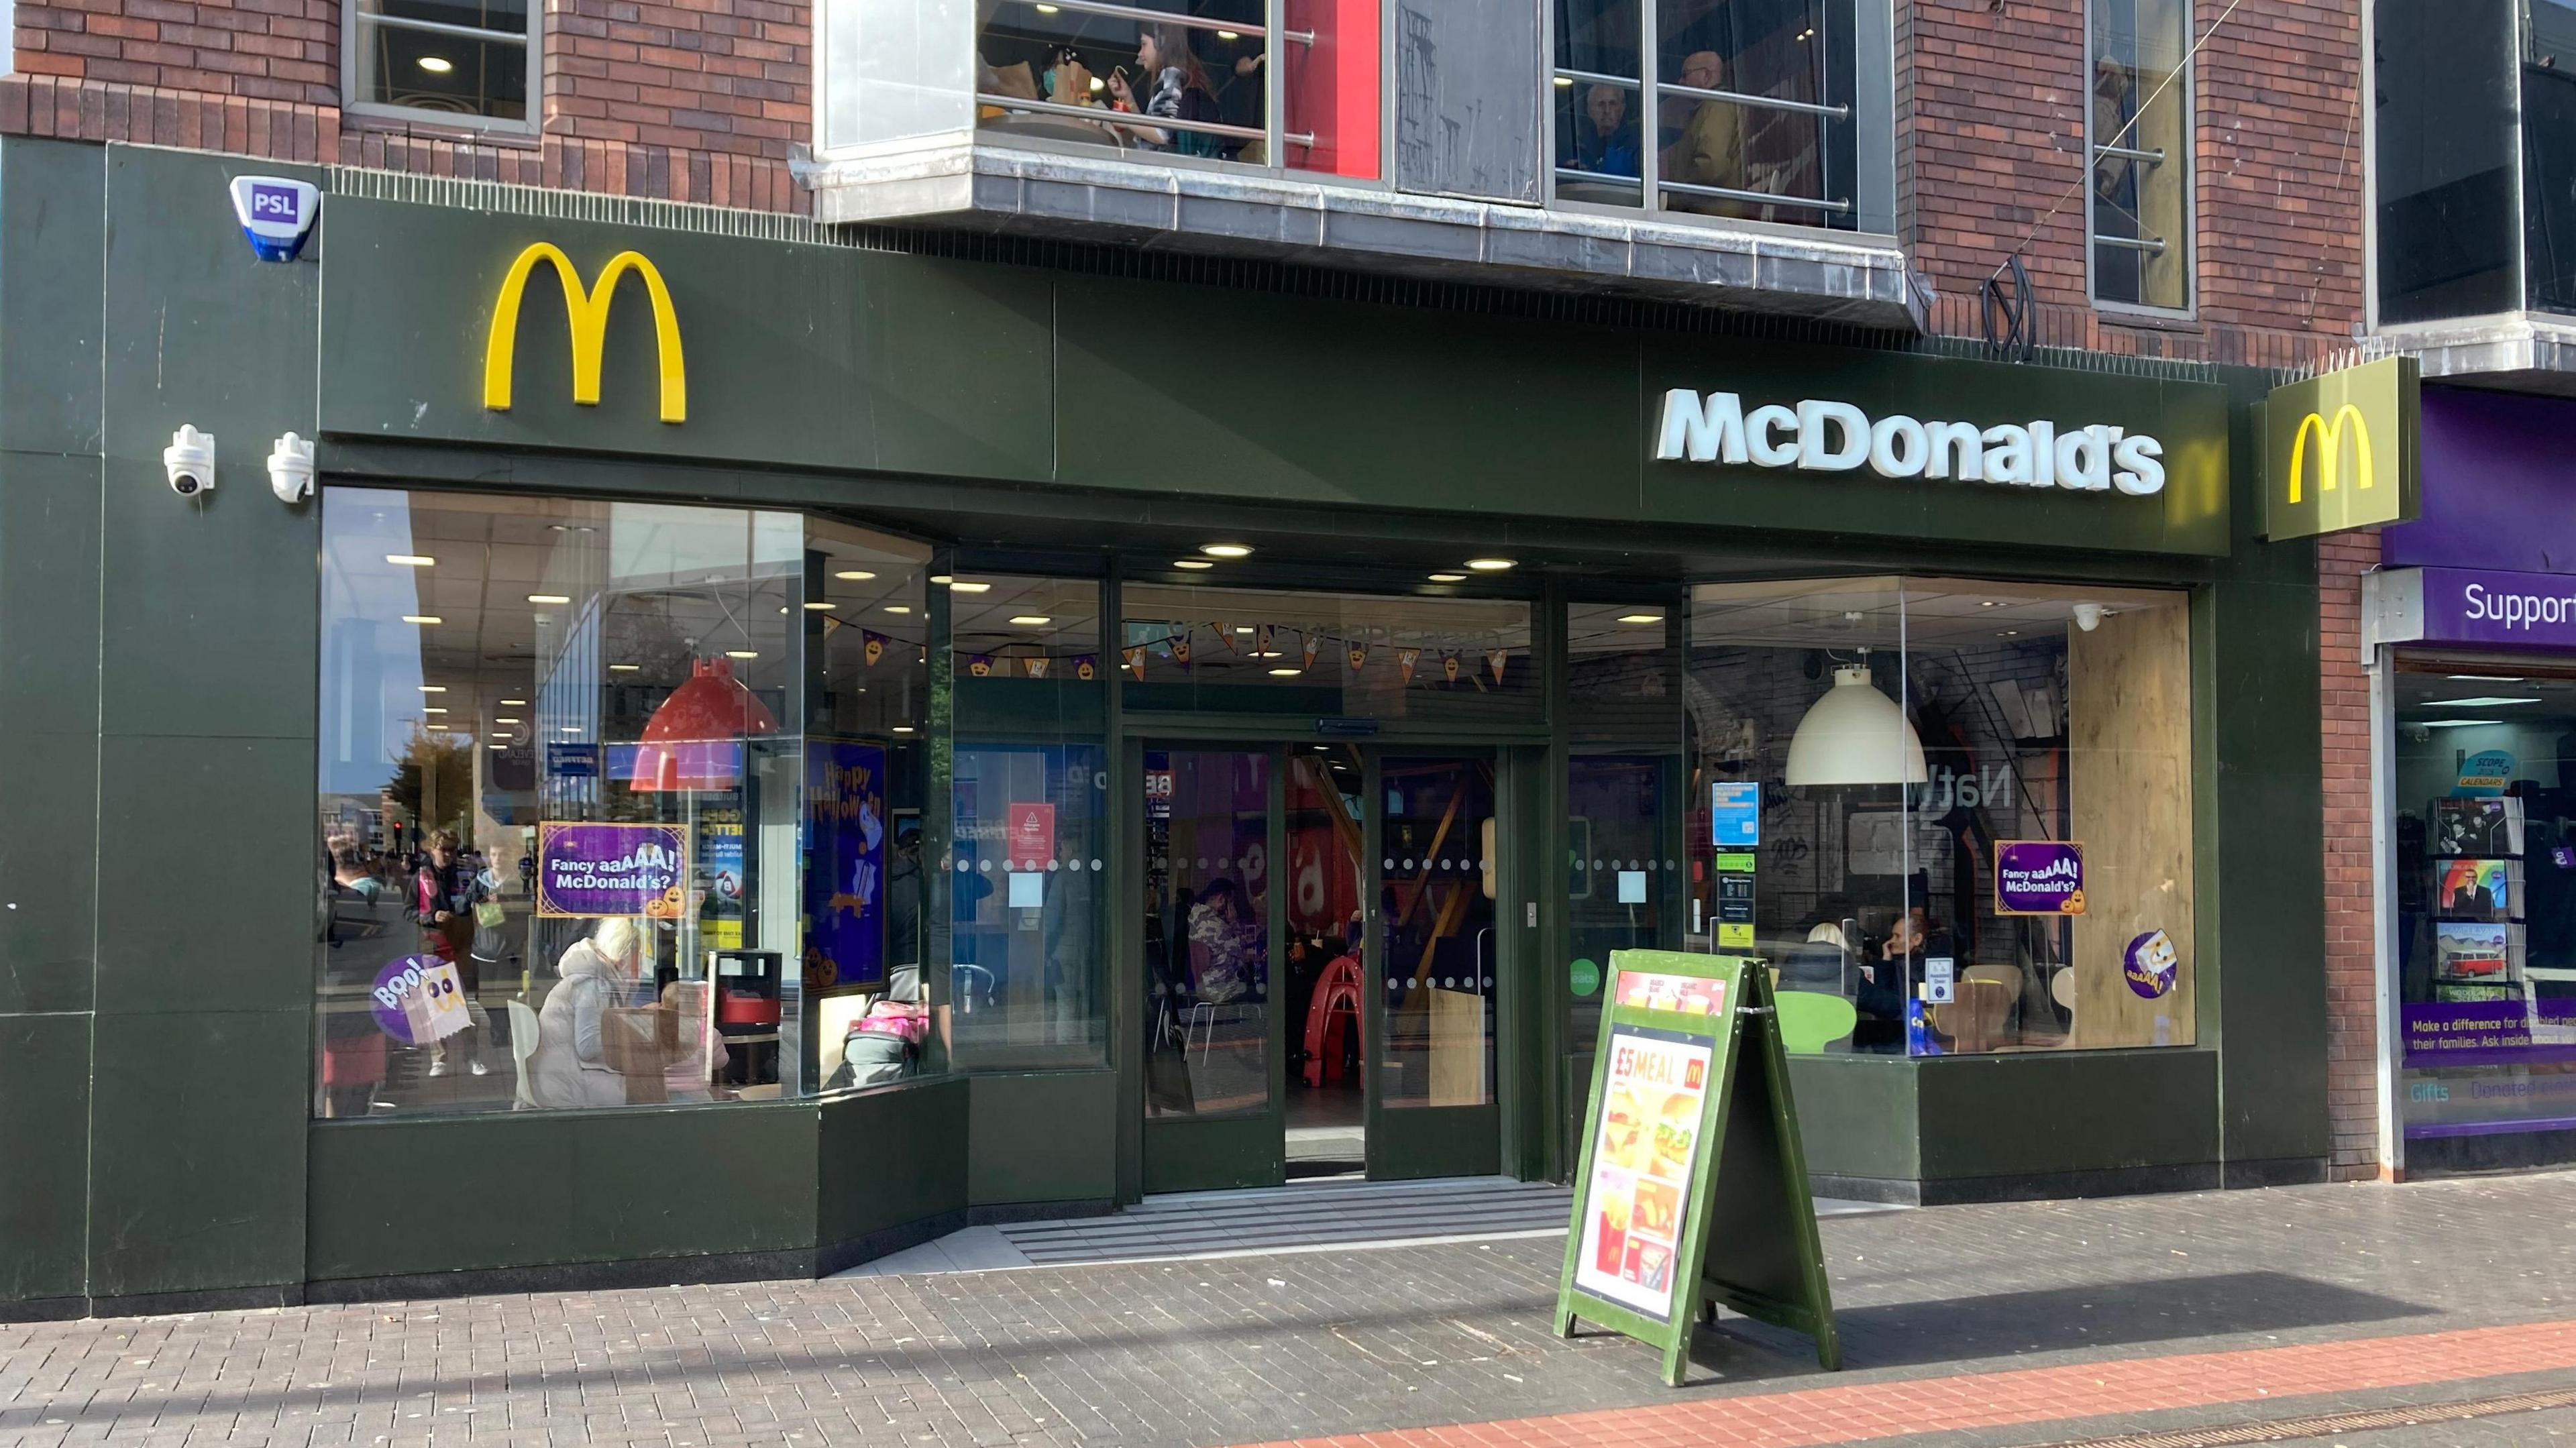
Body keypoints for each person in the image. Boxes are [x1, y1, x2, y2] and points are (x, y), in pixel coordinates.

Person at [529, 917, 644, 1110]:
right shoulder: (594, 985)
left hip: (555, 1078)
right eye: (638, 956)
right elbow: (588, 1047)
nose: (640, 964)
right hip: (567, 1085)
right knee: (654, 1090)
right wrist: (629, 1031)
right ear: (623, 960)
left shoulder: (589, 979)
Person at [411, 829, 492, 1078]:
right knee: (438, 1003)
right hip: (434, 944)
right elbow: (408, 911)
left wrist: (487, 901)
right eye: (442, 849)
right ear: (431, 849)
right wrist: (429, 916)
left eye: (451, 850)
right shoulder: (421, 877)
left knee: (468, 1003)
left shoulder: (467, 875)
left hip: (464, 944)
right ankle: (439, 1058)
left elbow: (483, 901)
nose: (447, 854)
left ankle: (472, 1058)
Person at [1108, 24, 1224, 157]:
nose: (1140, 53)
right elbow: (1152, 129)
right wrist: (1128, 96)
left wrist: (1126, 121)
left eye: (1144, 44)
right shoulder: (1180, 76)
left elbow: (1162, 134)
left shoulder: (1171, 75)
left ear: (1161, 43)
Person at [1661, 50, 1750, 217]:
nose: (1680, 82)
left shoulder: (1717, 106)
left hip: (1712, 215)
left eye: (1685, 75)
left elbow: (1712, 164)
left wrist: (1682, 191)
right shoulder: (1708, 108)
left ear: (1706, 76)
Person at [1187, 877, 1261, 1004]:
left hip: (1203, 987)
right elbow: (1240, 949)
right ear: (1222, 899)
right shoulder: (1217, 926)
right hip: (1222, 989)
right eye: (1231, 902)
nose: (1233, 906)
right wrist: (1233, 922)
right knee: (1265, 991)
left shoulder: (1196, 921)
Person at [1572, 82, 1642, 178]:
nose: (1607, 110)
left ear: (1622, 109)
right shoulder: (1577, 146)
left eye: (1613, 104)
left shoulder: (1637, 145)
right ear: (1589, 110)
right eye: (1601, 104)